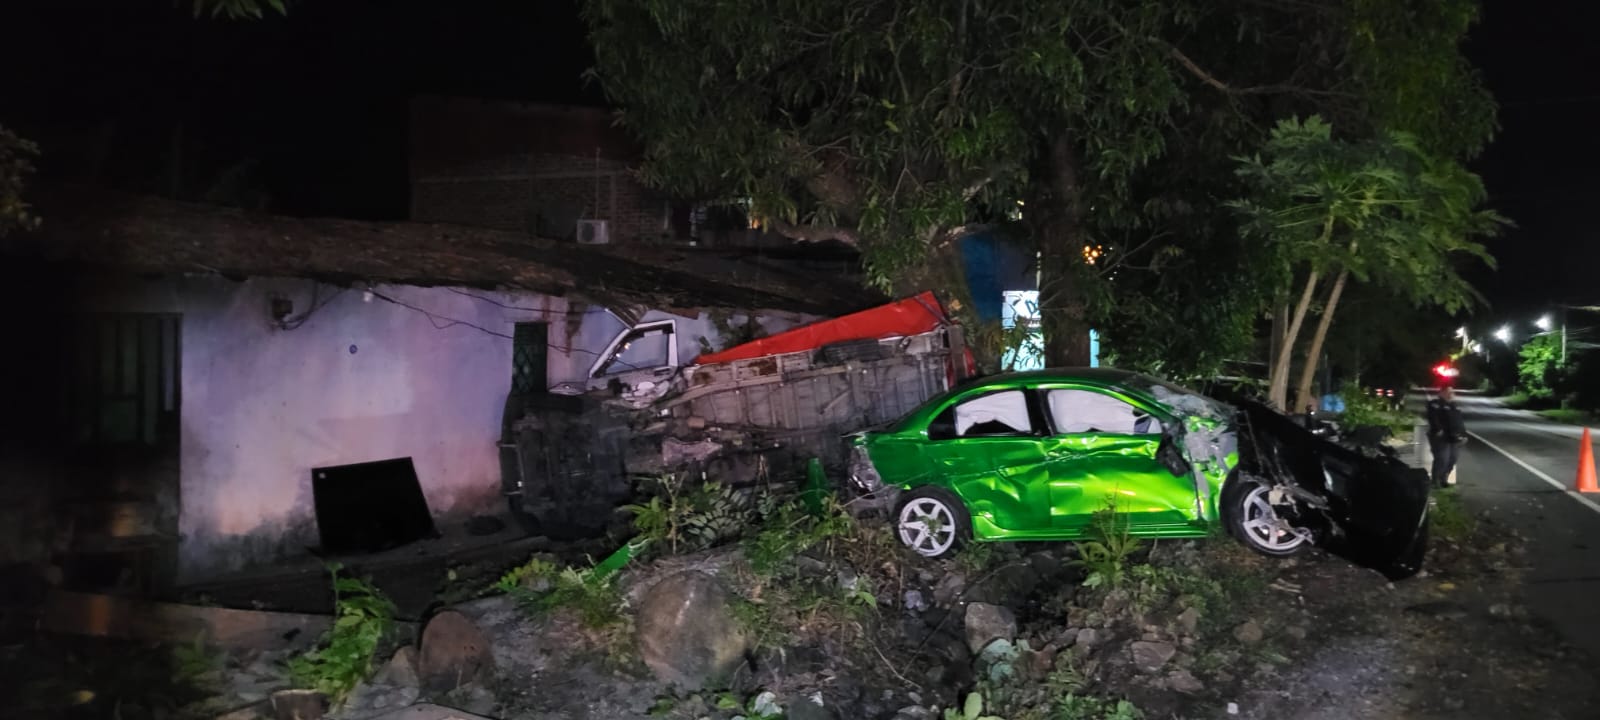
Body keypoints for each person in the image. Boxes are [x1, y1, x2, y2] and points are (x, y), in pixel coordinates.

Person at [1425, 387, 1468, 488]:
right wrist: (1438, 430)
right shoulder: (1435, 404)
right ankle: (1435, 481)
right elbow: (1432, 417)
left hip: (1454, 437)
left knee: (1452, 459)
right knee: (1442, 459)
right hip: (1441, 437)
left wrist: (1464, 434)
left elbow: (1459, 422)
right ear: (1441, 393)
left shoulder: (1455, 406)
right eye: (1448, 392)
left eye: (1452, 392)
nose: (1451, 394)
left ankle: (1444, 479)